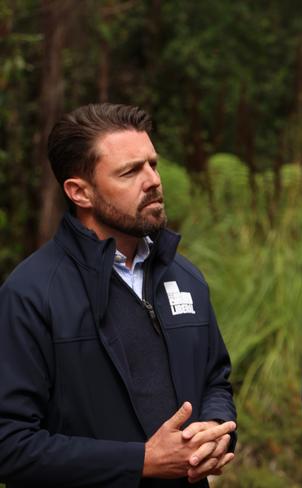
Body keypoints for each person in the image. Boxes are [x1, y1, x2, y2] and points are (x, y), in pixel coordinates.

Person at [0, 104, 237, 488]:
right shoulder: (30, 294)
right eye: (130, 171)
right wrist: (139, 461)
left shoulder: (185, 277)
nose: (153, 181)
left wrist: (214, 429)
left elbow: (215, 381)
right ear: (80, 192)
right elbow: (9, 445)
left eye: (152, 164)